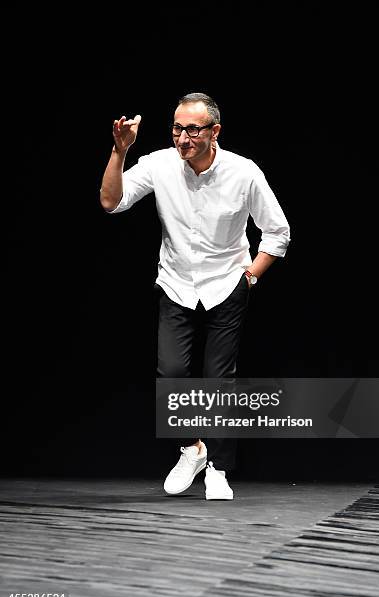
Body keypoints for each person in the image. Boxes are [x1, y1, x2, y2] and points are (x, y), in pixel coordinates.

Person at [100, 93, 290, 500]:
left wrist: (251, 277)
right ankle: (192, 448)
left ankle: (219, 469)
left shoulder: (244, 172)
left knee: (219, 380)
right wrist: (120, 152)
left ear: (214, 132)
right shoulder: (159, 164)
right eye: (176, 128)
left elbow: (278, 232)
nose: (182, 138)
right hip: (176, 283)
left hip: (226, 283)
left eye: (192, 130)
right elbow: (111, 201)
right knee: (170, 375)